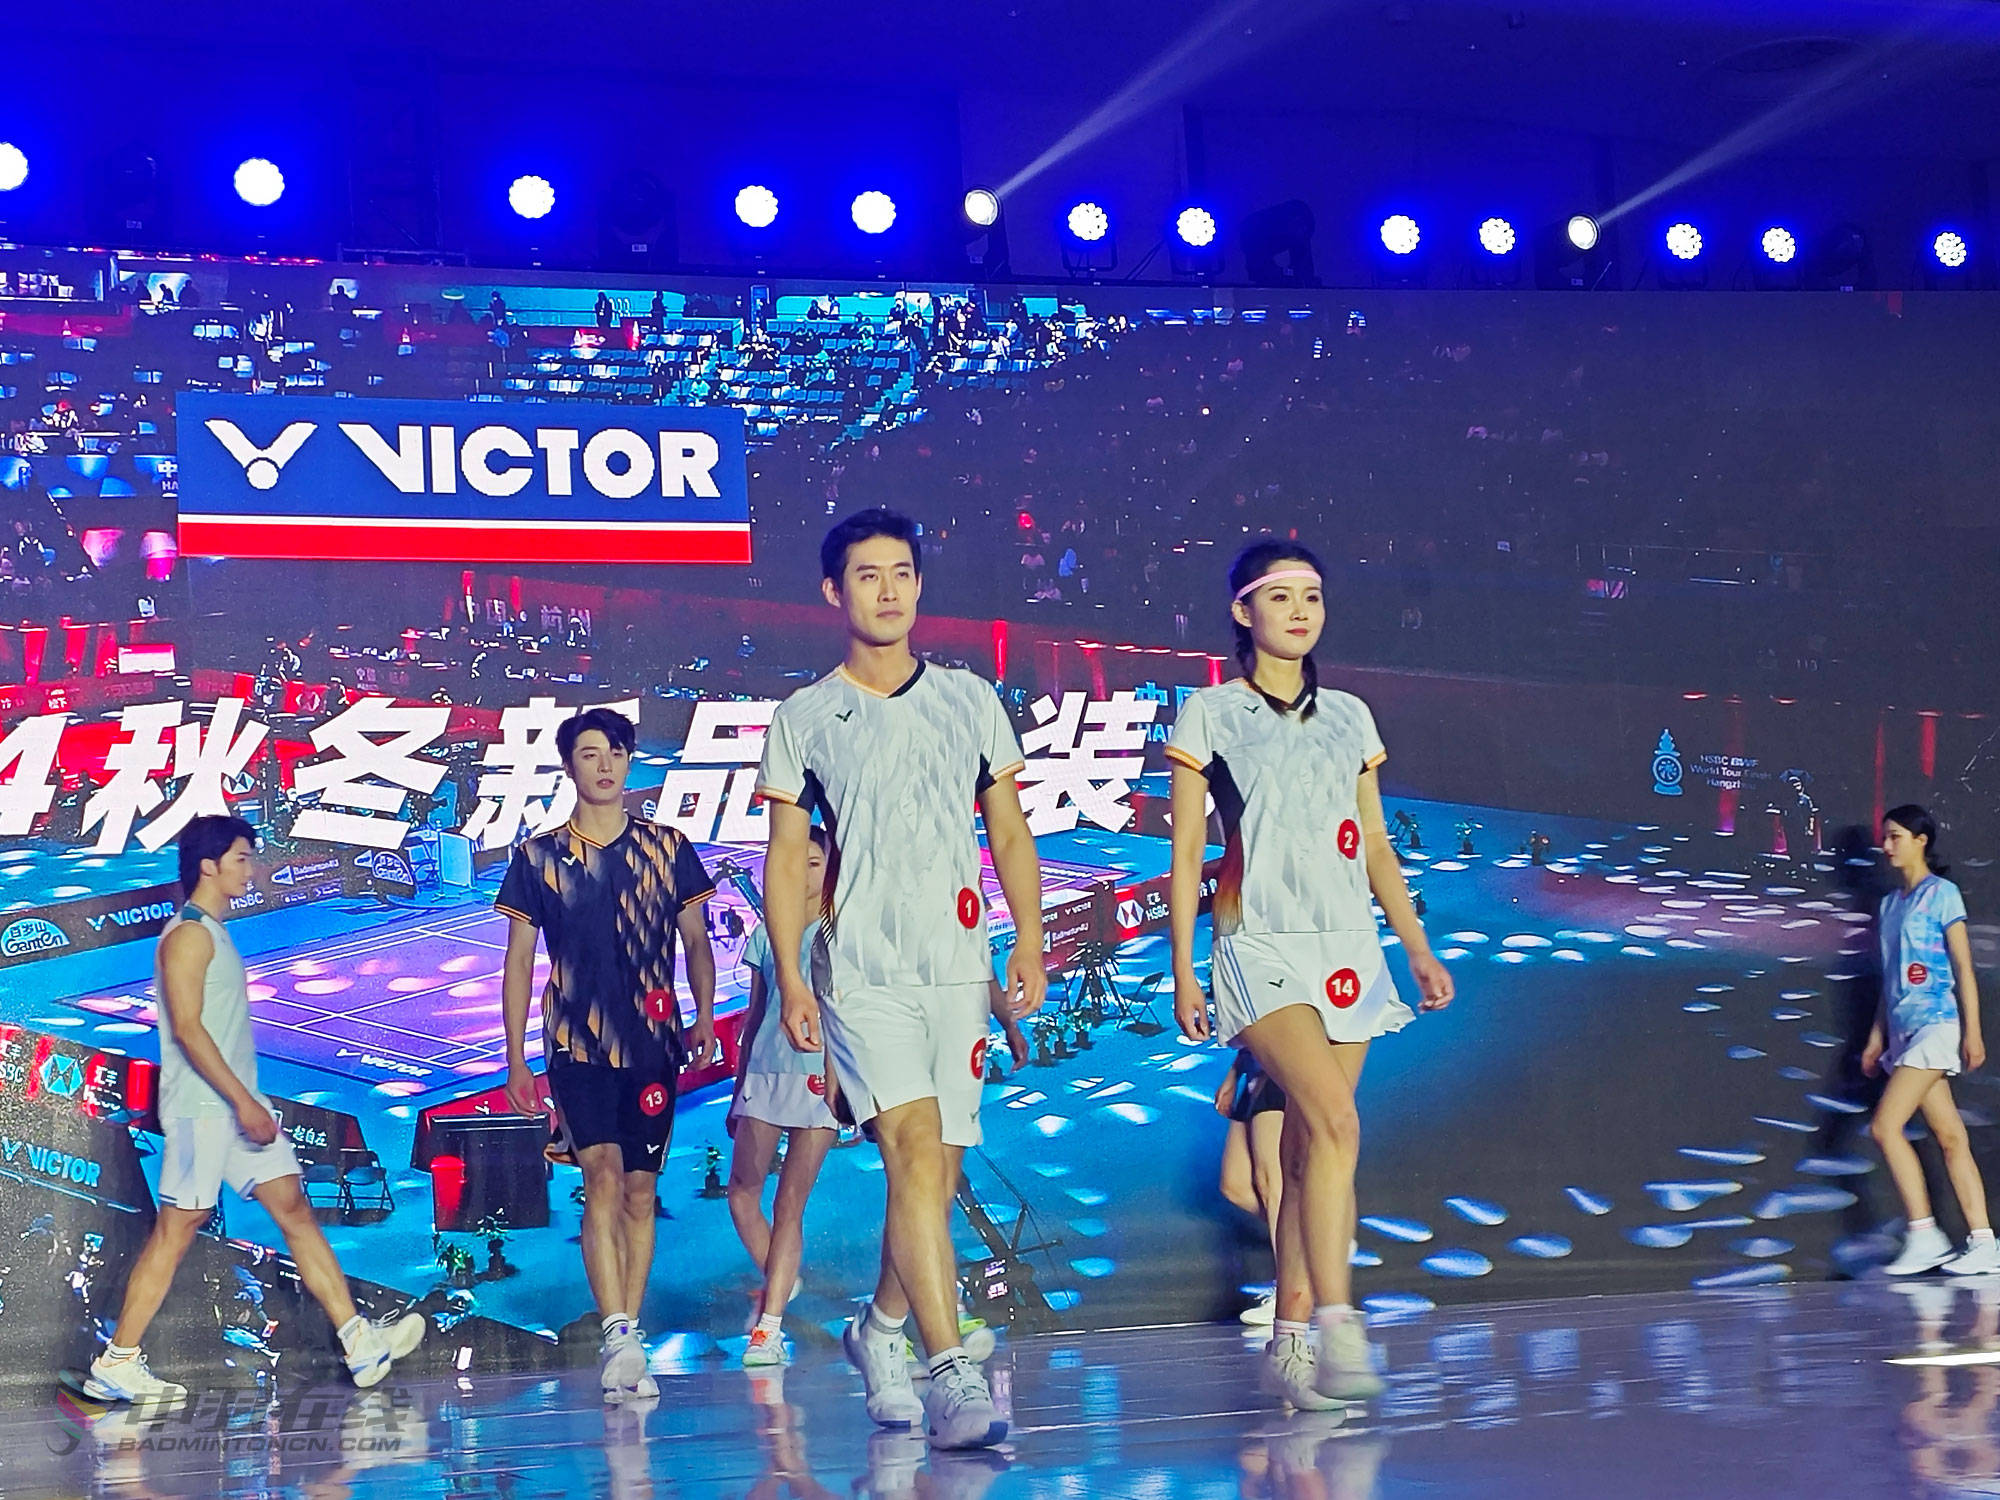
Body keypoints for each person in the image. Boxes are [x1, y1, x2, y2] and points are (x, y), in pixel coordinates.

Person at [755, 508, 1046, 1451]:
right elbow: (786, 856)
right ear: (832, 591)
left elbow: (1009, 831)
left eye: (902, 574)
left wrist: (1028, 940)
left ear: (920, 585)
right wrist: (794, 976)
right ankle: (949, 1368)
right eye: (867, 575)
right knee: (914, 1151)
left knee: (937, 1171)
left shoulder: (970, 699)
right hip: (862, 973)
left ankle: (879, 1329)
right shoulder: (805, 718)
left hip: (956, 967)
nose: (888, 591)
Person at [1167, 539, 1454, 1414]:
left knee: (1308, 1150)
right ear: (1242, 611)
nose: (1300, 611)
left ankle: (1290, 1341)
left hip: (1348, 949)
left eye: (1314, 597)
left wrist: (1415, 945)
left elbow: (1375, 845)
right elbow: (1187, 853)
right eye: (1281, 595)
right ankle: (1339, 1323)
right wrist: (1183, 971)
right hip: (1256, 942)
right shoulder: (1209, 714)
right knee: (1335, 1119)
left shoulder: (1350, 717)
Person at [85, 816, 426, 1404]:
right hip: (203, 1110)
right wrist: (244, 1102)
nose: (253, 868)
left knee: (294, 1209)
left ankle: (359, 1341)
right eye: (242, 858)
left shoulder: (213, 933)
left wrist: (247, 1101)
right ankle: (117, 1361)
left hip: (236, 1108)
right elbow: (188, 1030)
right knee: (176, 1230)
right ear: (209, 865)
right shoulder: (188, 936)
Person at [499, 707, 720, 1402]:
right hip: (576, 1043)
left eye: (616, 753)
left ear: (629, 762)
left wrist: (705, 1014)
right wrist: (515, 1059)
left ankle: (631, 1328)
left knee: (641, 1190)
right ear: (569, 766)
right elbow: (519, 960)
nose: (604, 765)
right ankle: (618, 1332)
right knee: (599, 1175)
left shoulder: (668, 846)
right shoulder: (538, 857)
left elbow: (696, 940)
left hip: (654, 1043)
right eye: (590, 753)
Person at [728, 829, 842, 1368]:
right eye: (798, 861)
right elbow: (754, 1016)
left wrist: (846, 1084)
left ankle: (768, 1330)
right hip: (765, 1073)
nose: (805, 871)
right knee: (742, 1194)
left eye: (815, 862)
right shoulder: (766, 932)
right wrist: (738, 1088)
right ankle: (782, 1277)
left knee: (789, 1205)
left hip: (820, 1078)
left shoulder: (844, 933)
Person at [1867, 804, 1995, 1276]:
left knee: (1885, 1127)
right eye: (1885, 837)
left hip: (1936, 1025)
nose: (1887, 845)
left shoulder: (1943, 894)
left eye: (1896, 836)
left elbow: (1963, 967)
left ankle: (1924, 1234)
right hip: (1903, 1032)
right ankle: (1984, 1242)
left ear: (1921, 840)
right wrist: (1876, 1039)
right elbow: (1889, 980)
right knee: (1951, 1137)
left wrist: (1972, 1031)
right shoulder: (1889, 905)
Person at [1215, 1049, 1287, 1327]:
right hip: (1254, 1070)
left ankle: (1289, 1296)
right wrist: (1234, 1073)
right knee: (1234, 1185)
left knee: (1271, 1185)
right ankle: (1318, 1241)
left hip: (1278, 1066)